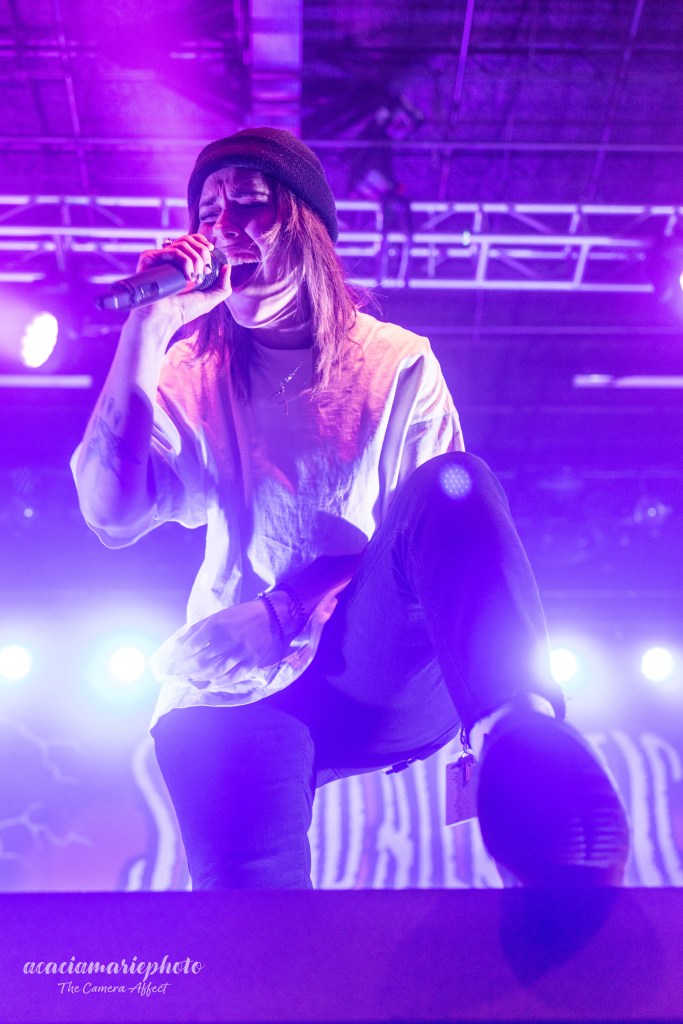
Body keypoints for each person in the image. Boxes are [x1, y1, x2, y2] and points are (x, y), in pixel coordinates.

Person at [72, 127, 630, 890]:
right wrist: (148, 327)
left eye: (248, 203)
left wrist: (287, 605)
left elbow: (434, 537)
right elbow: (110, 513)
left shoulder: (395, 361)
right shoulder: (192, 365)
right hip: (234, 687)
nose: (221, 227)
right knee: (252, 925)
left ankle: (521, 744)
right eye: (206, 212)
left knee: (452, 483)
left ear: (305, 222)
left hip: (370, 663)